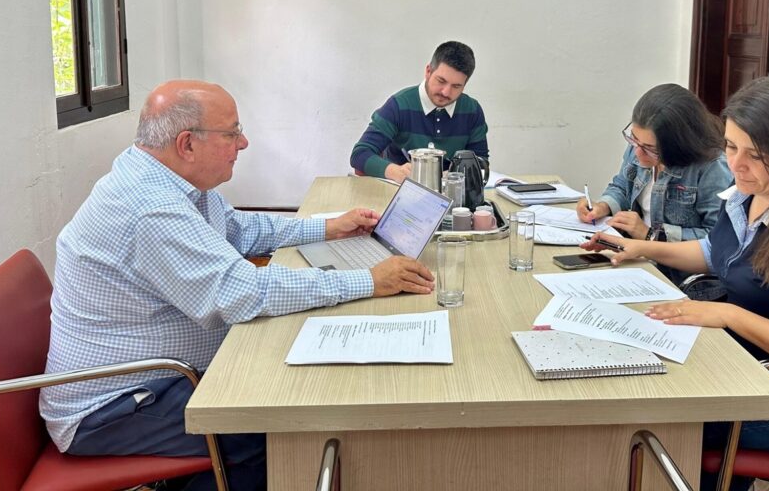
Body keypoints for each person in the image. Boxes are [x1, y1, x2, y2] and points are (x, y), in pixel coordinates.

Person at [40, 80, 435, 491]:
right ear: (187, 144)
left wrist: (328, 227)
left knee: (285, 382)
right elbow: (243, 292)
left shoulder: (172, 179)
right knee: (275, 425)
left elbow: (239, 228)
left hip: (163, 376)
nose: (243, 143)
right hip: (112, 408)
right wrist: (368, 280)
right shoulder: (149, 210)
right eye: (232, 133)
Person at [583, 77, 769, 489]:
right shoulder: (748, 194)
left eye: (755, 154)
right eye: (730, 146)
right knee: (645, 385)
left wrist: (728, 315)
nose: (737, 164)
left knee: (669, 418)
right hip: (758, 371)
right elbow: (715, 252)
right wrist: (643, 249)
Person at [575, 84, 731, 281]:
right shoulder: (639, 147)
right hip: (636, 260)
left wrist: (650, 234)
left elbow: (717, 241)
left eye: (650, 148)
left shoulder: (712, 168)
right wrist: (602, 206)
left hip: (679, 278)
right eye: (634, 140)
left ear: (678, 144)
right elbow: (622, 185)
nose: (638, 152)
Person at [350, 41, 489, 183]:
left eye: (456, 86)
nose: (446, 92)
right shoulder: (399, 105)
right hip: (400, 192)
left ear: (464, 86)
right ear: (428, 71)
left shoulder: (472, 110)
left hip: (453, 196)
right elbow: (360, 154)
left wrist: (453, 175)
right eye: (441, 81)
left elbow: (481, 162)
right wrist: (395, 171)